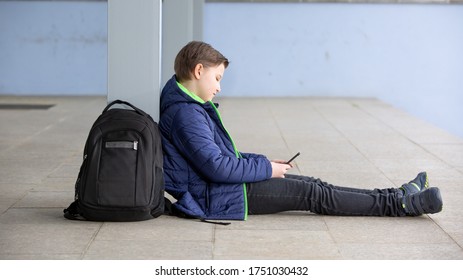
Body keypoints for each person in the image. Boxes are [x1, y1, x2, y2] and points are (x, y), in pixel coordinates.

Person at [159, 41, 443, 221]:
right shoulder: (186, 114)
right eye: (217, 78)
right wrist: (266, 169)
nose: (219, 86)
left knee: (317, 186)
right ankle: (401, 204)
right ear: (198, 71)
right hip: (223, 195)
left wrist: (264, 163)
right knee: (315, 194)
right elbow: (217, 168)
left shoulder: (189, 107)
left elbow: (219, 157)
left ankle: (395, 196)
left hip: (225, 188)